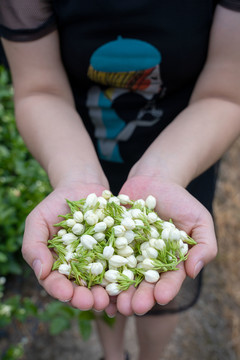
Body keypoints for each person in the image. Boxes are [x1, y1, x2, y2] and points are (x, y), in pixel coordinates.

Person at [1, 1, 240, 359]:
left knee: (162, 286)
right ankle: (112, 356)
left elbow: (225, 93)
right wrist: (74, 174)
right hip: (79, 143)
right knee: (100, 282)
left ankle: (150, 357)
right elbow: (39, 89)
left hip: (186, 148)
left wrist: (165, 174)